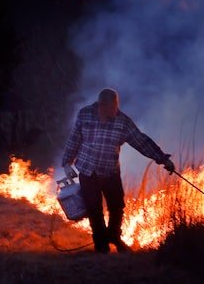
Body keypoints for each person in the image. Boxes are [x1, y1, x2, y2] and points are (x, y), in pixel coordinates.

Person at [61, 87, 174, 253]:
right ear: (102, 106)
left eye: (116, 106)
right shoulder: (85, 114)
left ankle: (114, 237)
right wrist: (66, 163)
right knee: (94, 210)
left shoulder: (123, 122)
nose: (115, 111)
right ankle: (101, 246)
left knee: (117, 207)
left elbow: (141, 141)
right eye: (112, 107)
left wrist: (162, 158)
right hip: (87, 171)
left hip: (110, 172)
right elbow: (74, 139)